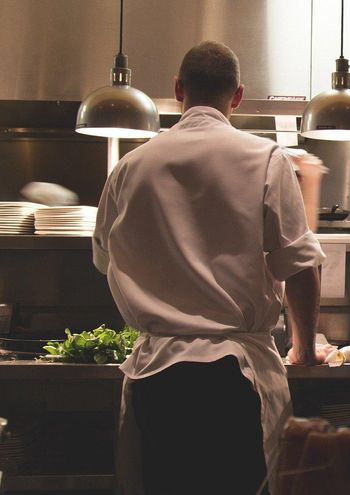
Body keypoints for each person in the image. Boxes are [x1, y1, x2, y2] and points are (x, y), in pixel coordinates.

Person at [92, 41, 325, 494]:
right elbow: (299, 266)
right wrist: (305, 347)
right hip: (233, 378)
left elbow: (105, 260)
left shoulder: (129, 166)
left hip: (155, 377)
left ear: (178, 89)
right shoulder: (266, 158)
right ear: (237, 96)